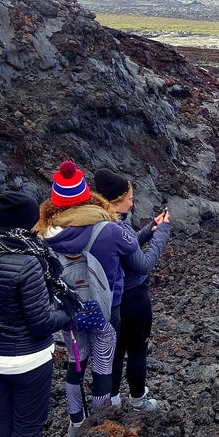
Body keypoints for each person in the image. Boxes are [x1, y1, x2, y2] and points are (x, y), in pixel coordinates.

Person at [35, 161, 140, 437]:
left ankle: (75, 425)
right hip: (105, 309)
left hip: (68, 312)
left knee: (75, 364)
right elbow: (134, 252)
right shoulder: (108, 229)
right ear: (86, 195)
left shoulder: (44, 235)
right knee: (103, 367)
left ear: (55, 200)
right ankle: (99, 426)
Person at [0, 191, 73, 437]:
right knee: (28, 429)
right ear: (26, 222)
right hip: (27, 360)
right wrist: (68, 313)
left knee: (2, 421)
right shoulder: (29, 262)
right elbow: (41, 323)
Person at [92, 168, 171, 413]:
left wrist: (149, 230)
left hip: (111, 301)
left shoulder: (103, 222)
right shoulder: (118, 228)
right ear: (116, 201)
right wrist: (163, 233)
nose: (132, 201)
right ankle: (138, 401)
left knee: (114, 353)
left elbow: (126, 244)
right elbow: (143, 264)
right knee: (137, 352)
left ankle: (112, 402)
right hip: (134, 299)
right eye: (129, 198)